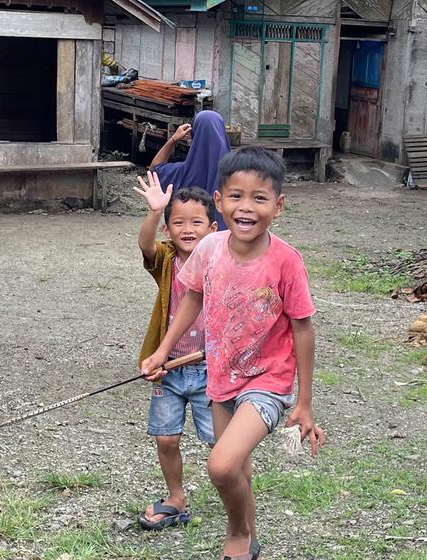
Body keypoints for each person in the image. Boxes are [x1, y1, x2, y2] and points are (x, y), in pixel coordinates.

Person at [140, 147, 325, 560]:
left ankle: (238, 533)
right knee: (236, 467)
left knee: (221, 465)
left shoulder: (286, 261)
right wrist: (163, 351)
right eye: (235, 196)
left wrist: (305, 402)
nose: (246, 207)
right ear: (219, 201)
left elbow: (302, 328)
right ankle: (249, 539)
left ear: (278, 206)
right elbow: (192, 298)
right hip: (221, 376)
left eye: (259, 198)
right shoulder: (209, 249)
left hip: (268, 381)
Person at [131, 171, 220, 530]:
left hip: (209, 369)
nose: (188, 229)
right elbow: (145, 246)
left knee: (220, 443)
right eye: (178, 222)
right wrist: (155, 212)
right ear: (169, 231)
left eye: (197, 222)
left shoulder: (220, 261)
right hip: (167, 368)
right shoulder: (166, 260)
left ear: (212, 229)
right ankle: (176, 497)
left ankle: (236, 495)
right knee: (166, 437)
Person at [151, 110, 231, 229]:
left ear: (194, 135)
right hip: (228, 243)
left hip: (190, 243)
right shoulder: (237, 173)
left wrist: (173, 139)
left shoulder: (182, 172)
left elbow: (154, 169)